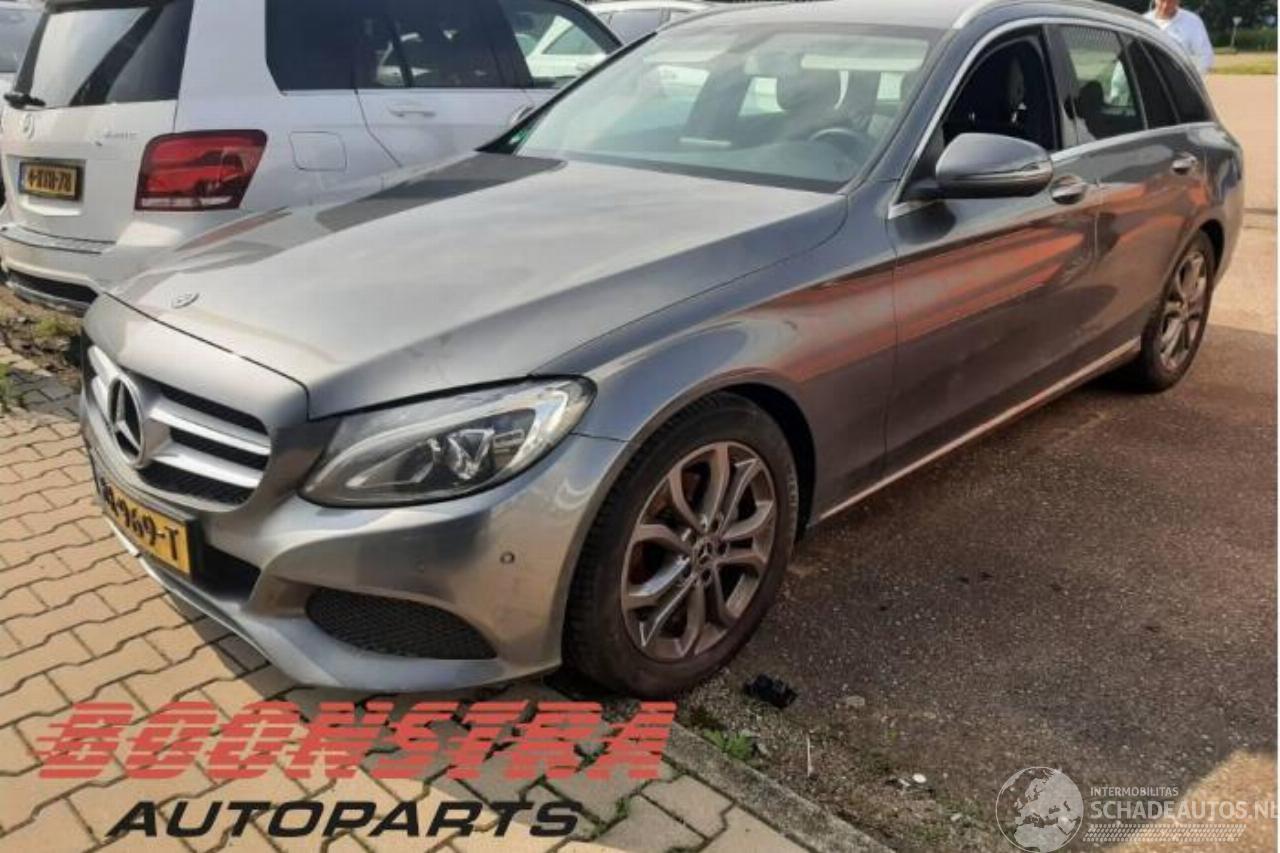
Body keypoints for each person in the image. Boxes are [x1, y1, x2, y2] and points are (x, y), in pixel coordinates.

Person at [1146, 0, 1215, 75]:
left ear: (1178, 1)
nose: (1165, 6)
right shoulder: (1144, 21)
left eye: (1170, 2)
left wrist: (1189, 79)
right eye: (1162, 1)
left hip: (1180, 79)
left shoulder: (1193, 22)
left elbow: (1205, 55)